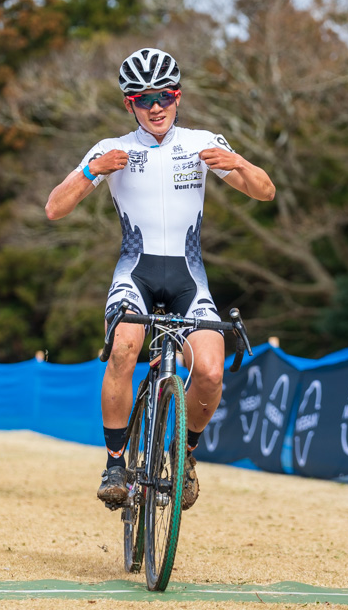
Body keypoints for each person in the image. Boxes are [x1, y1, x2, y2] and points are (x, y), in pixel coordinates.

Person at [45, 47, 275, 510]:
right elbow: (54, 208)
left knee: (210, 372)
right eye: (144, 98)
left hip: (190, 279)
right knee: (126, 346)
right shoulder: (113, 150)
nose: (156, 107)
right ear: (130, 104)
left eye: (165, 97)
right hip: (136, 274)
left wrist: (241, 166)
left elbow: (265, 193)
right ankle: (115, 463)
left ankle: (184, 458)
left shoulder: (203, 143)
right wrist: (93, 170)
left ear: (178, 98)